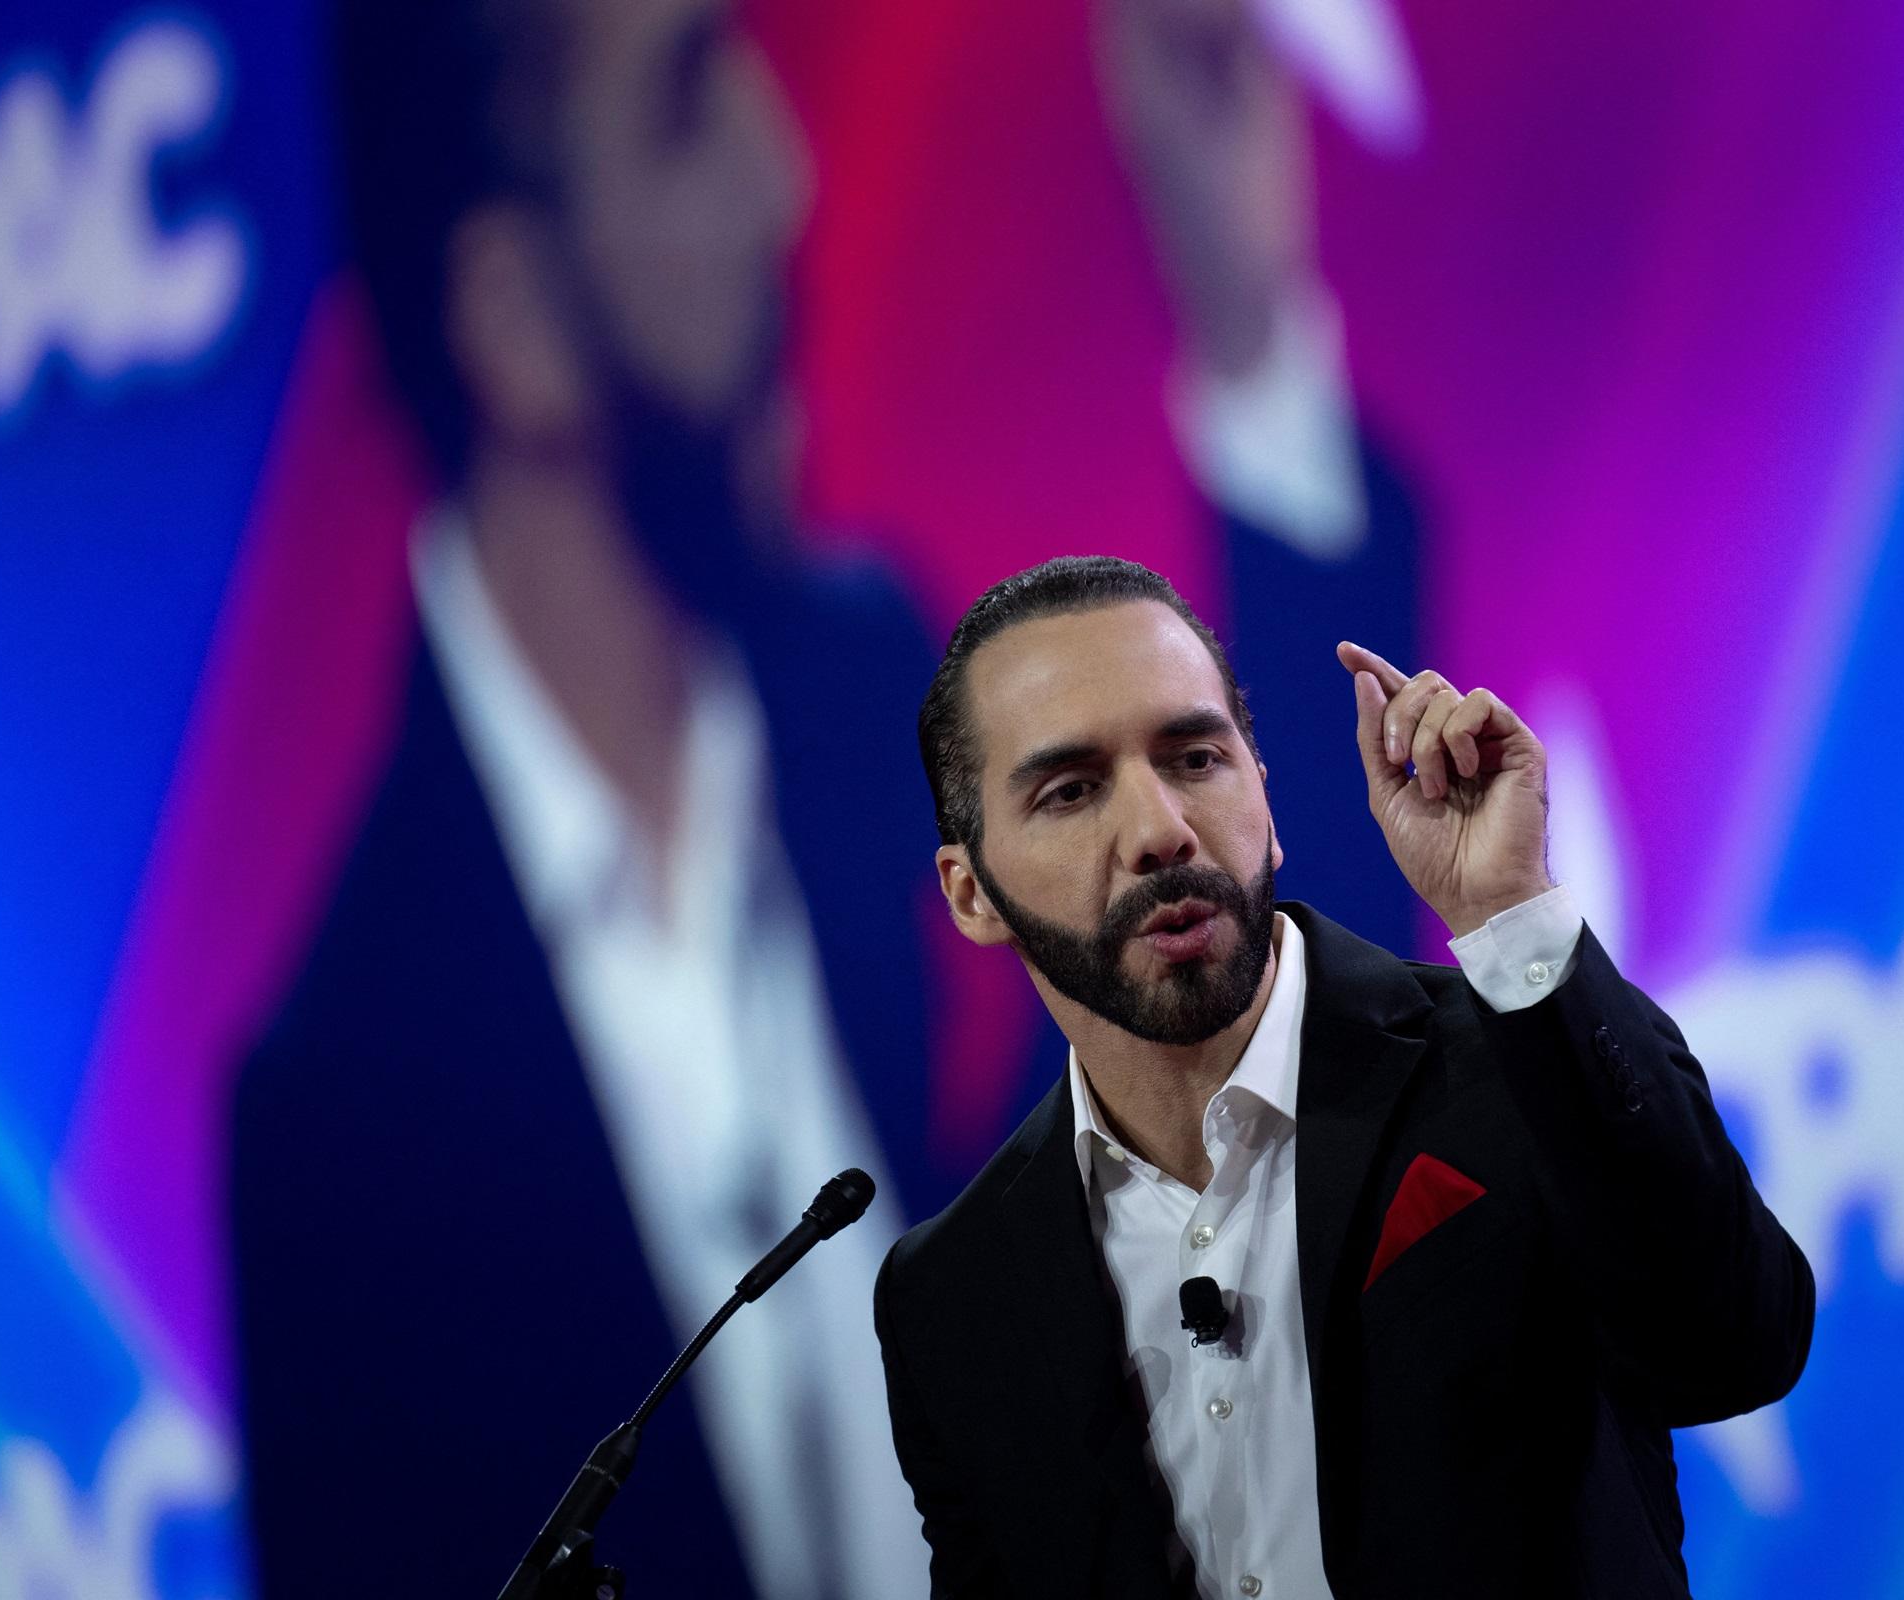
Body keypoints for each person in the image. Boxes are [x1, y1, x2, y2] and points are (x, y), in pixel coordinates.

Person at [229, 0, 1421, 1596]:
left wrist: (1247, 325)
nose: (786, 178)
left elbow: (1231, 1038)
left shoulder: (871, 694)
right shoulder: (348, 1131)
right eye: (681, 111)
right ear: (509, 314)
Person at [875, 556, 1815, 1597]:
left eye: (1195, 757)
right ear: (972, 895)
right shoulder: (953, 1297)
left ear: (1265, 798)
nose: (1159, 831)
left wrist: (1509, 912)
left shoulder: (1518, 1059)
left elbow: (1736, 1344)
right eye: (1072, 789)